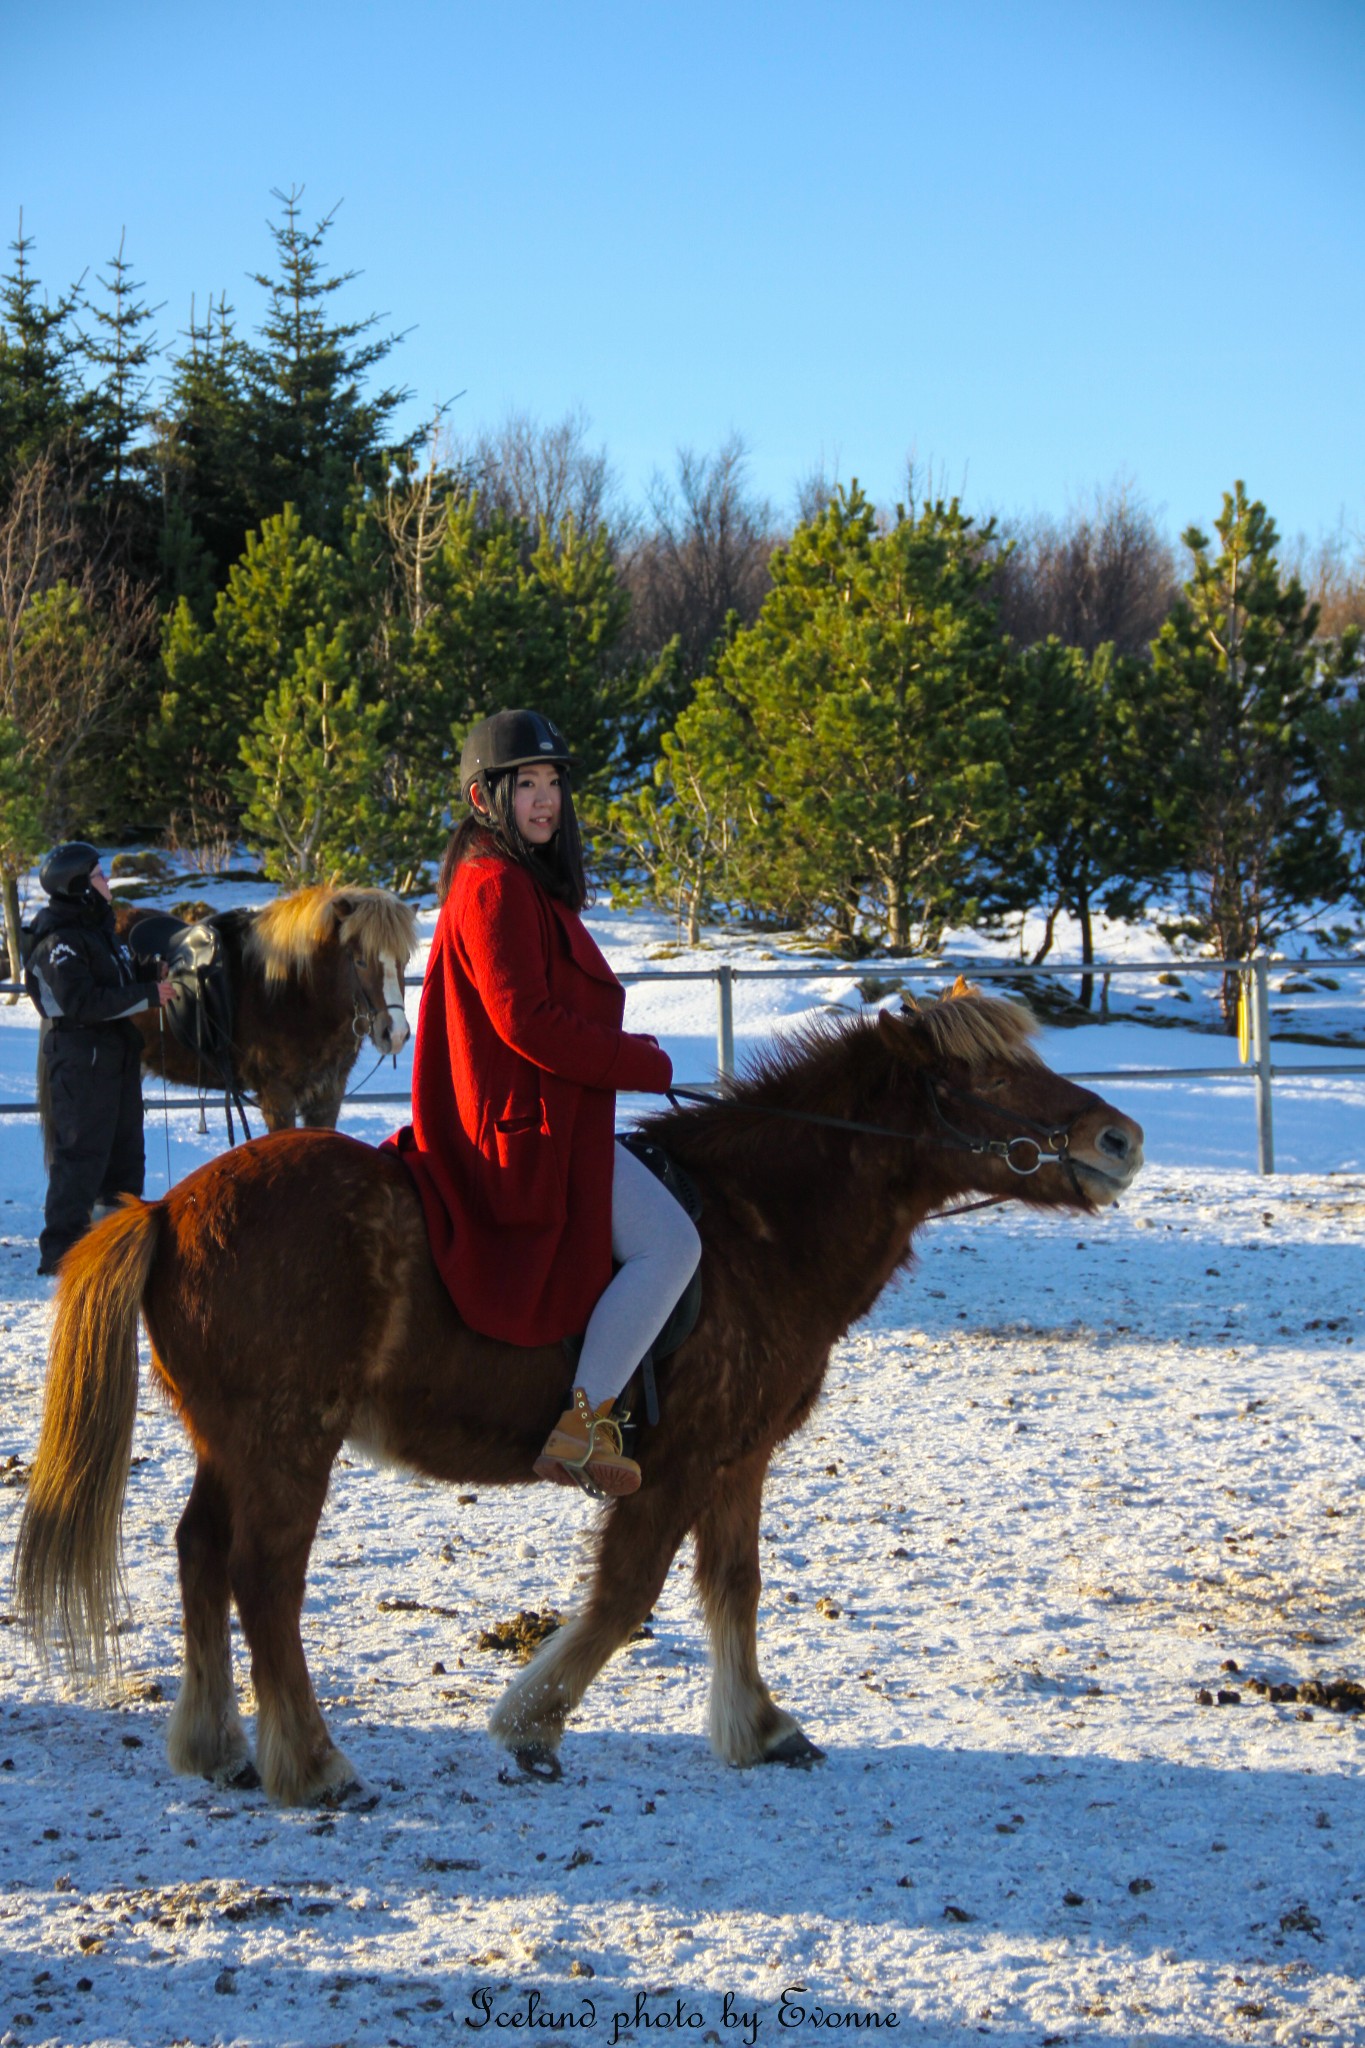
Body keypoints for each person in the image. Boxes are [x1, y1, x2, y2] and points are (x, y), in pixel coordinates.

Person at [388, 709, 701, 1495]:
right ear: (482, 795)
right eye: (524, 783)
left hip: (540, 1115)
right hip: (516, 1136)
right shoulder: (493, 885)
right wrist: (640, 1063)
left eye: (552, 781)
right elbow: (523, 1020)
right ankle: (583, 1424)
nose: (544, 799)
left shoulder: (512, 878)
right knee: (672, 1247)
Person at [23, 842, 174, 1276]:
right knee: (82, 1155)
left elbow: (115, 979)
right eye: (98, 875)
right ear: (78, 885)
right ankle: (62, 1253)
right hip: (79, 1060)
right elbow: (80, 1001)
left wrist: (150, 974)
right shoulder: (59, 940)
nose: (107, 881)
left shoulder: (98, 930)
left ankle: (117, 1243)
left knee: (126, 1153)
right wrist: (146, 995)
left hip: (115, 1056)